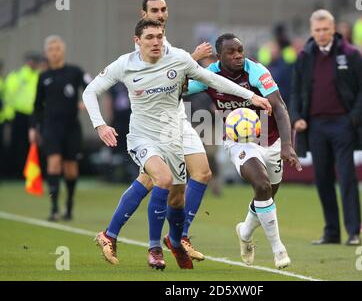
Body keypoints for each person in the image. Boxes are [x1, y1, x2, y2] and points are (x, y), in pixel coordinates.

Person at [84, 19, 271, 270]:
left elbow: (211, 79)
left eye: (159, 36)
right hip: (143, 137)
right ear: (137, 40)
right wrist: (100, 124)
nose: (155, 41)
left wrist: (251, 96)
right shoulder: (124, 65)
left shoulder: (178, 59)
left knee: (177, 198)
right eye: (149, 37)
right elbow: (90, 91)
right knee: (161, 179)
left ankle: (175, 239)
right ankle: (154, 248)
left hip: (174, 135)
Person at [99, 0, 215, 265]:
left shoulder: (166, 44)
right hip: (153, 127)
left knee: (200, 173)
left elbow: (180, 84)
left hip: (176, 122)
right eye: (154, 10)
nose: (160, 14)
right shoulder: (146, 46)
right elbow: (177, 82)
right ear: (143, 15)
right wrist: (193, 63)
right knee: (156, 180)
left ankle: (177, 237)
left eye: (163, 9)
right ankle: (143, 242)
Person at [187, 33, 302, 269]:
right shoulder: (209, 75)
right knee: (261, 185)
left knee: (267, 193)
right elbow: (176, 86)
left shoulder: (257, 71)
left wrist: (287, 145)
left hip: (271, 140)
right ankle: (278, 250)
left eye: (240, 50)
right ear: (219, 57)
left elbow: (279, 107)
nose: (238, 55)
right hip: (239, 141)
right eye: (231, 52)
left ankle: (245, 231)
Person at [290, 9, 362, 246]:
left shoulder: (350, 54)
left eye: (325, 29)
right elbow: (296, 90)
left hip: (343, 124)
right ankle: (331, 232)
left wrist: (354, 117)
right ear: (311, 31)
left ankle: (354, 232)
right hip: (315, 126)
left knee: (347, 178)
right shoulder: (304, 56)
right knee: (322, 179)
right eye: (317, 30)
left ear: (334, 29)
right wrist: (296, 116)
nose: (321, 34)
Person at [29, 35, 91, 221]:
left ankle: (69, 204)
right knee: (53, 163)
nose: (54, 52)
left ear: (62, 50)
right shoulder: (43, 77)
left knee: (70, 168)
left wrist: (86, 101)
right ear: (46, 53)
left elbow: (92, 86)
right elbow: (37, 105)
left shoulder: (75, 71)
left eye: (57, 48)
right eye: (51, 49)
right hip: (51, 127)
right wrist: (33, 127)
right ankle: (54, 207)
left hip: (71, 127)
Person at [4, 52, 41, 177]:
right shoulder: (17, 76)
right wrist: (9, 115)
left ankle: (31, 171)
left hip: (34, 114)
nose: (33, 64)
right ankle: (18, 171)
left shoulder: (40, 76)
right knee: (18, 144)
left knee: (32, 144)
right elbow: (8, 97)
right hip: (19, 114)